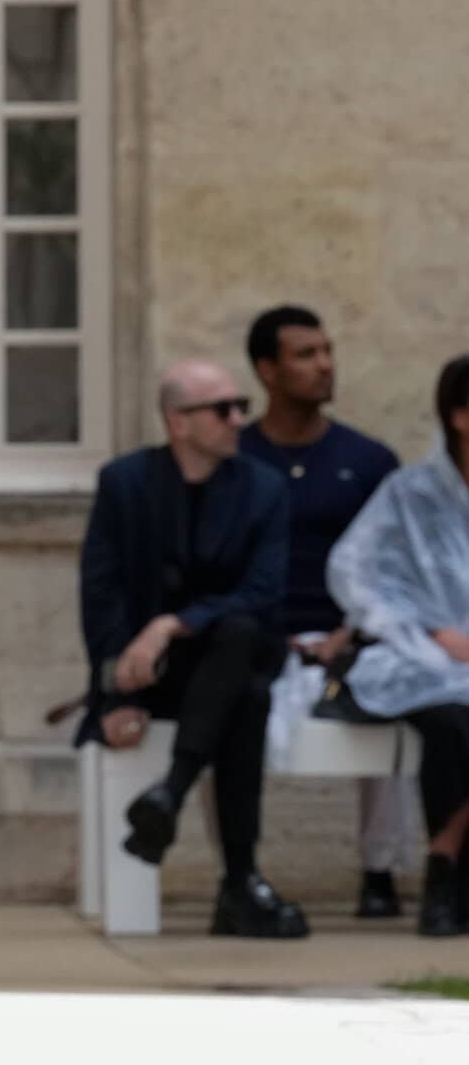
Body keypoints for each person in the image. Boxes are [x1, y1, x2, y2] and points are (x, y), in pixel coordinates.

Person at [77, 358, 309, 936]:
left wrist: (172, 624)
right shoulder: (125, 482)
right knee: (246, 696)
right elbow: (101, 596)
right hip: (156, 677)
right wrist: (116, 695)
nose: (238, 420)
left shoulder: (263, 489)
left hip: (235, 651)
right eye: (223, 409)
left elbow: (263, 593)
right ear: (177, 422)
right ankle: (240, 884)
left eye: (241, 406)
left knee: (240, 643)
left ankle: (172, 793)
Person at [238, 304, 408, 916]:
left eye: (328, 351)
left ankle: (380, 872)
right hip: (257, 638)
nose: (325, 365)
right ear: (267, 370)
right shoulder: (236, 458)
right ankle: (241, 870)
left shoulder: (370, 461)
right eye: (306, 355)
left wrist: (349, 632)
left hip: (353, 639)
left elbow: (395, 568)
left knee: (399, 695)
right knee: (223, 706)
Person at [326, 355, 469, 939]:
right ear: (459, 416)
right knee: (453, 724)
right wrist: (430, 631)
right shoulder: (409, 494)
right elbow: (357, 573)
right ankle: (447, 875)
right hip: (421, 659)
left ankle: (446, 865)